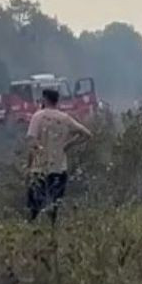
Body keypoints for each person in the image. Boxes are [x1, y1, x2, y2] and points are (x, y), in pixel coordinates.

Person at [25, 87, 92, 223]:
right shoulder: (64, 118)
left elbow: (32, 142)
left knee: (34, 208)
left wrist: (29, 165)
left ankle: (32, 232)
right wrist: (68, 145)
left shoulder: (38, 117)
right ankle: (52, 231)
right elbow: (86, 134)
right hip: (59, 168)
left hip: (39, 168)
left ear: (45, 99)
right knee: (54, 206)